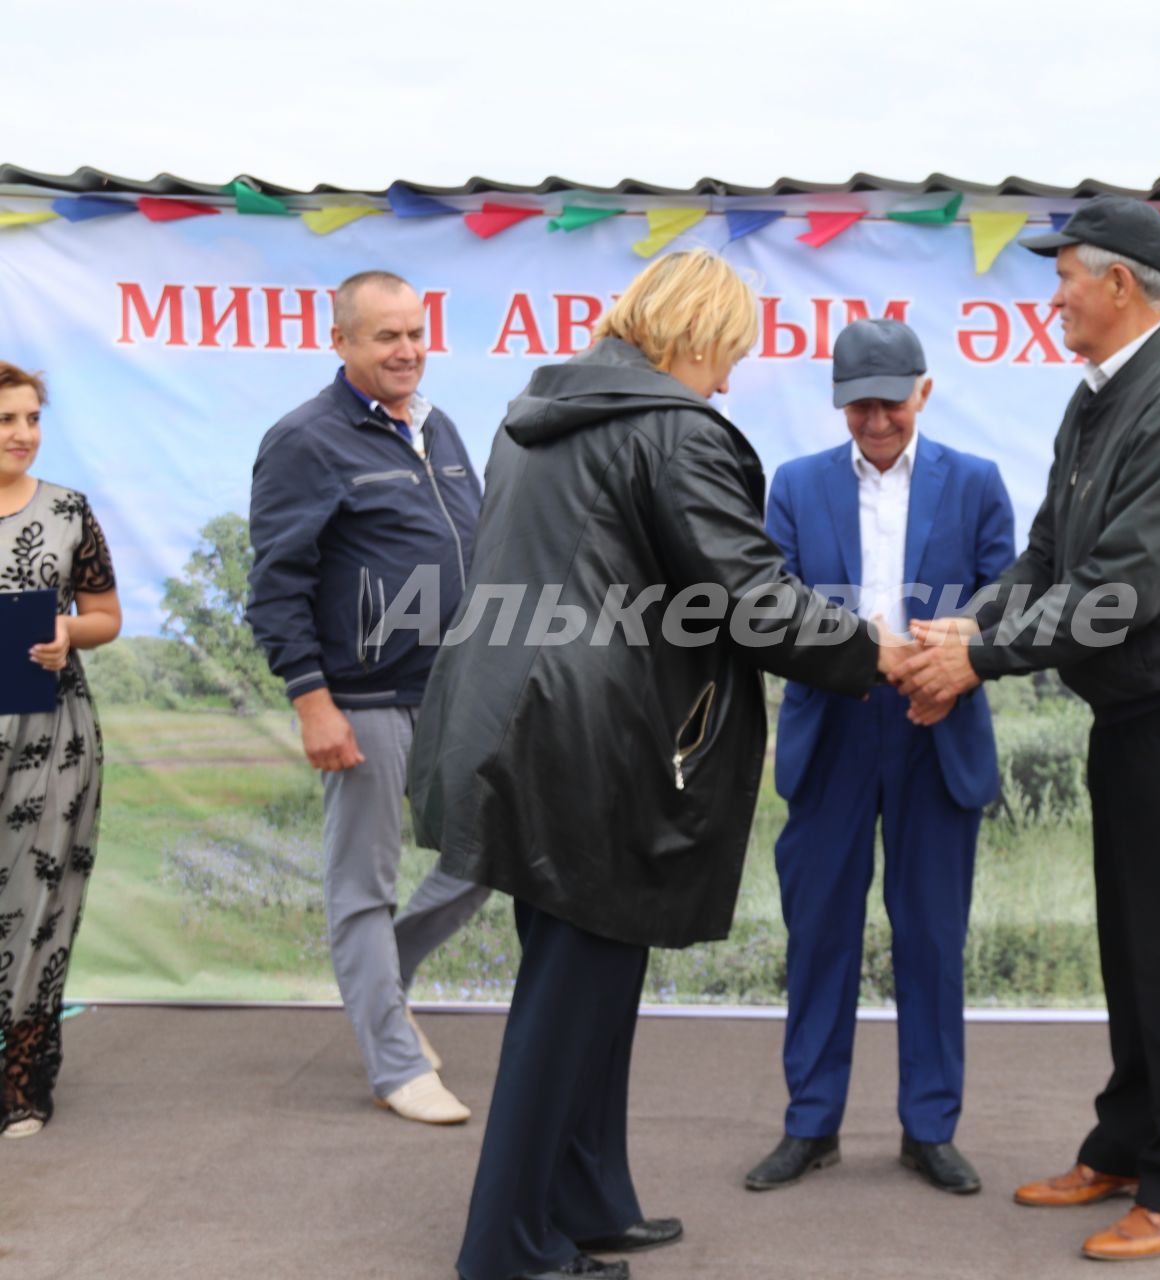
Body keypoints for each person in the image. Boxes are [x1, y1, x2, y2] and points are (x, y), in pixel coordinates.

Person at [407, 249, 907, 1280]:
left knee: (591, 978)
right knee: (568, 995)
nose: (726, 380)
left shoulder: (535, 415)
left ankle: (590, 1195)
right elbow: (750, 595)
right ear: (687, 336)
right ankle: (506, 1245)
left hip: (514, 727)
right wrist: (880, 652)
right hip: (592, 742)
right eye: (725, 355)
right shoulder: (674, 430)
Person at [893, 195, 1160, 1262]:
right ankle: (1125, 1143)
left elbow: (1117, 594)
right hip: (1139, 710)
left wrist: (973, 659)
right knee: (1138, 947)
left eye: (1064, 273)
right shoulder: (1101, 395)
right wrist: (968, 626)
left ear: (1119, 284)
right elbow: (1049, 559)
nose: (1052, 291)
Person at [744, 319, 1016, 1196]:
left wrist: (956, 670)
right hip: (832, 730)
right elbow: (774, 614)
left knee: (932, 937)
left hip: (937, 730)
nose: (877, 420)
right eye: (859, 404)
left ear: (924, 392)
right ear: (838, 404)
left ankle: (929, 1128)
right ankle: (810, 1124)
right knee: (820, 932)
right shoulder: (793, 486)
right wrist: (864, 652)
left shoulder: (976, 485)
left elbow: (1005, 605)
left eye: (891, 401)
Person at [245, 270, 490, 1125]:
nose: (407, 350)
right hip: (363, 697)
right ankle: (394, 1064)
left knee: (483, 855)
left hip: (453, 691)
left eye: (416, 332)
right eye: (386, 336)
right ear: (342, 342)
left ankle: (384, 981)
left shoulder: (440, 427)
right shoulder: (304, 440)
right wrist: (314, 701)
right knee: (363, 886)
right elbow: (276, 584)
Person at [0, 363, 121, 1139]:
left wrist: (66, 632)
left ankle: (21, 1083)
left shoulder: (70, 510)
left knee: (39, 906)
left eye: (31, 418)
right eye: (6, 419)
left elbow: (105, 614)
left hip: (52, 737)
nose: (22, 434)